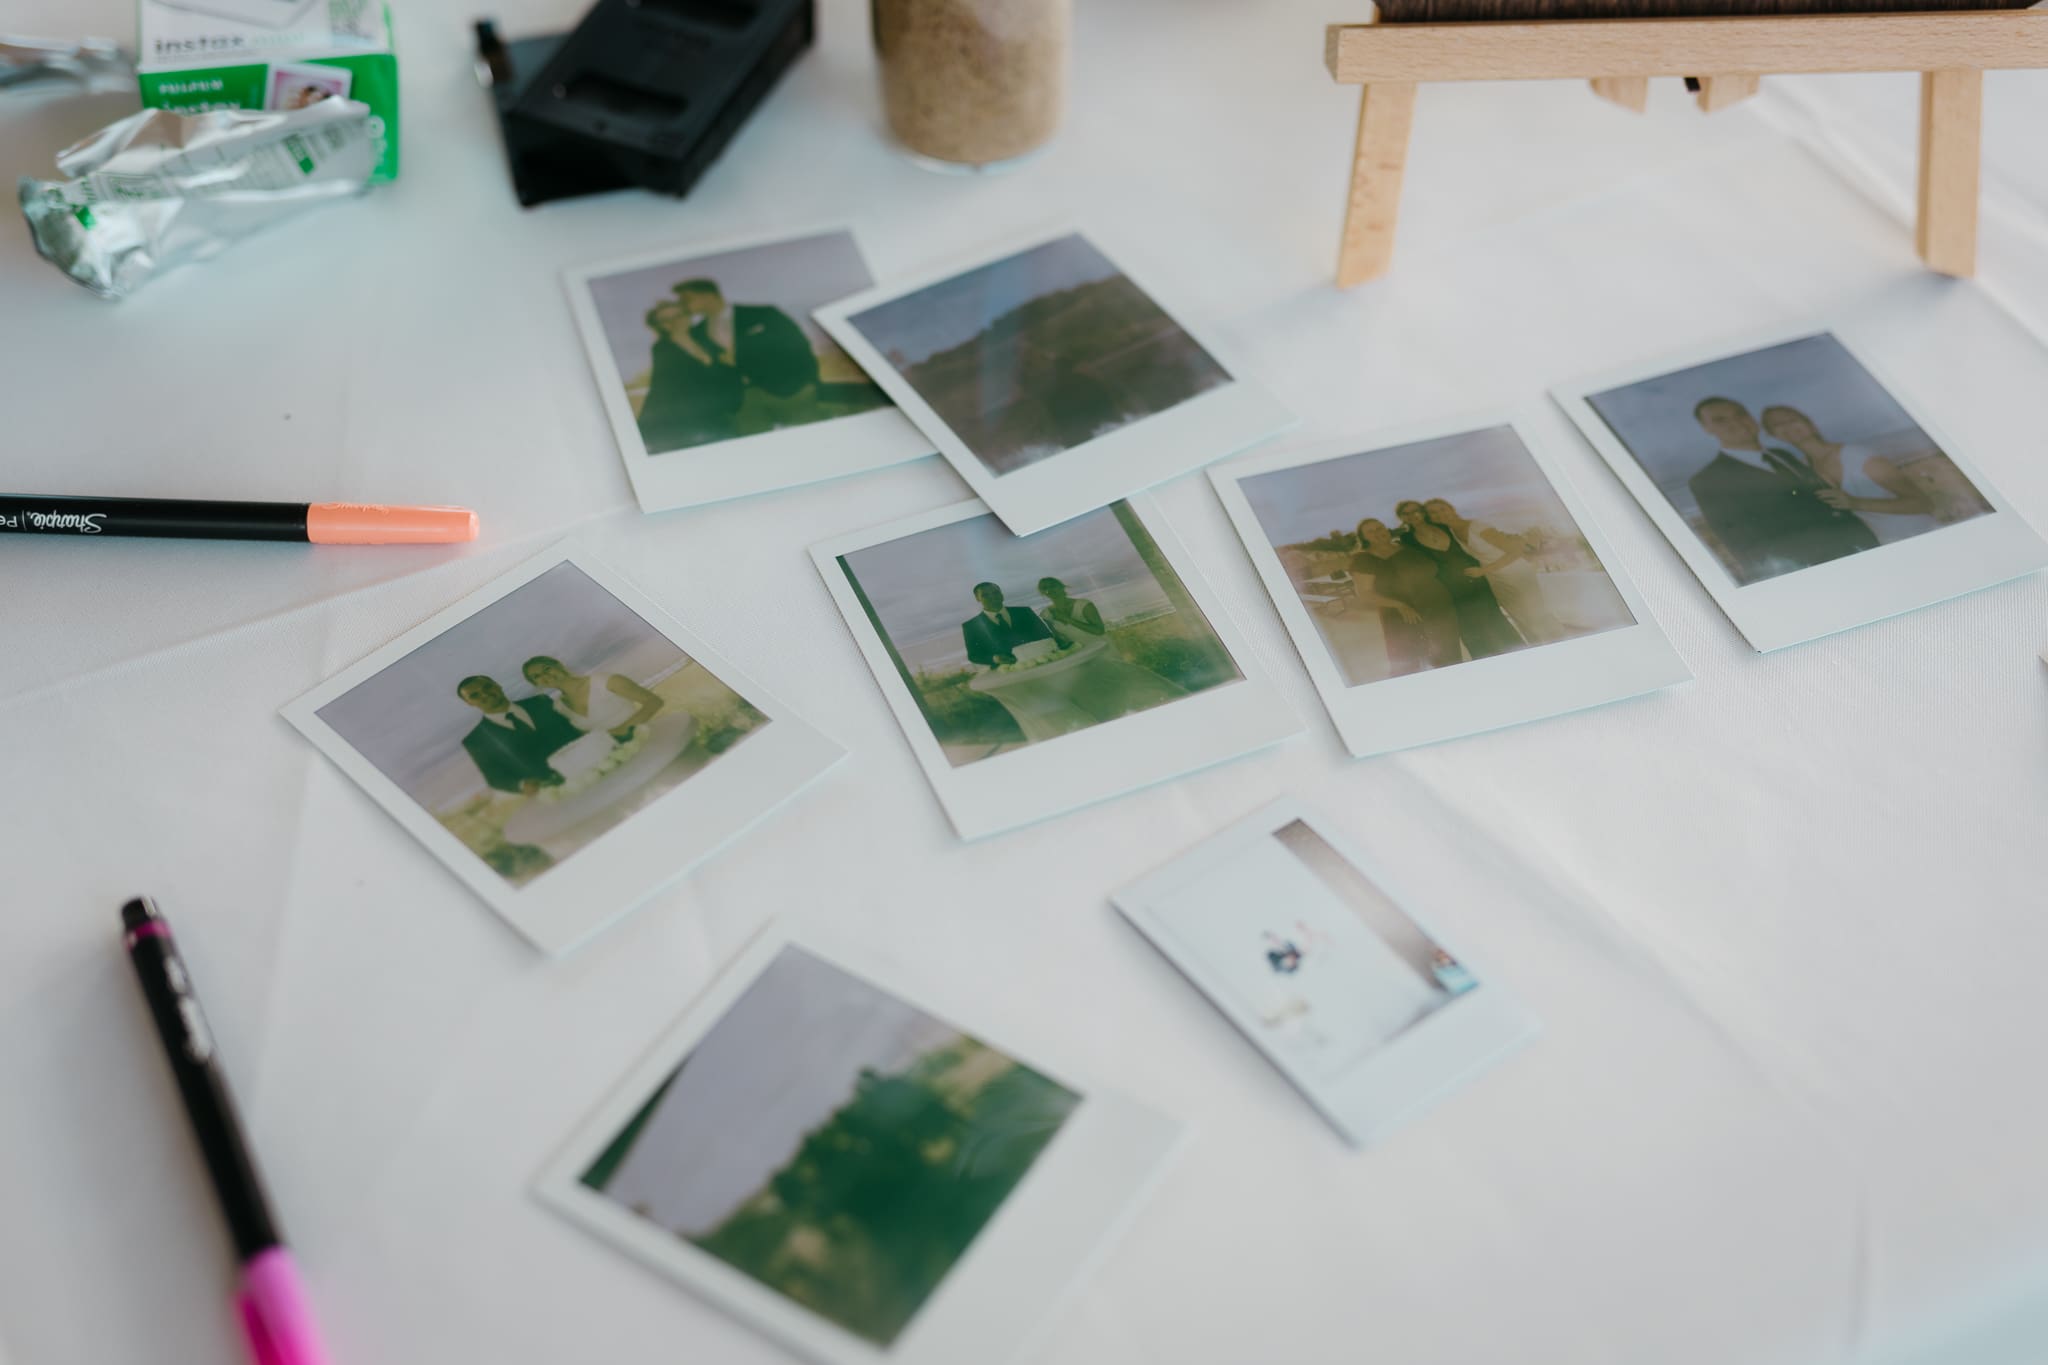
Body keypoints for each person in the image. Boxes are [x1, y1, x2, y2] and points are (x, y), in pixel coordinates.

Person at [1686, 396, 1879, 582]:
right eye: (1720, 420)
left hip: (1860, 551)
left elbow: (1826, 503)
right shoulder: (1708, 480)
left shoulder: (1782, 455)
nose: (1736, 422)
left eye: (1740, 413)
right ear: (1707, 429)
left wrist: (1869, 544)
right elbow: (1742, 545)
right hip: (1811, 573)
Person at [1759, 404, 1942, 543]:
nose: (1786, 425)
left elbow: (1923, 503)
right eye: (1776, 425)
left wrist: (1855, 502)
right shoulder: (1801, 469)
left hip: (1921, 535)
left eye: (1792, 419)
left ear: (1810, 424)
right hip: (1883, 543)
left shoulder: (1856, 455)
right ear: (1775, 436)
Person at [1423, 497, 1564, 644]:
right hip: (1496, 578)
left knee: (1536, 614)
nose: (1439, 514)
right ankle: (1539, 648)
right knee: (1519, 616)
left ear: (1451, 508)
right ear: (1430, 518)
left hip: (1515, 573)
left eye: (1442, 509)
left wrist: (1483, 570)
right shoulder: (1451, 532)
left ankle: (1559, 645)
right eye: (1433, 513)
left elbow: (1515, 551)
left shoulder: (1478, 527)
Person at [1395, 501, 1524, 661]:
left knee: (1496, 622)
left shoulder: (1443, 527)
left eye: (1416, 511)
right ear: (1402, 518)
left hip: (1476, 580)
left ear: (1422, 512)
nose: (1412, 515)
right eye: (1406, 513)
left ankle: (1520, 659)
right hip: (1450, 589)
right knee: (1471, 631)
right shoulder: (1406, 539)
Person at [1347, 516, 1460, 675]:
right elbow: (1365, 594)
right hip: (1403, 616)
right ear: (1364, 537)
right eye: (1371, 531)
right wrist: (1400, 605)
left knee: (1448, 653)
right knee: (1409, 662)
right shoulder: (1363, 559)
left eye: (1379, 528)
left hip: (1438, 608)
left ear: (1386, 529)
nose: (1377, 533)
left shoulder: (1405, 546)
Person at [455, 675, 582, 795]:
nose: (484, 694)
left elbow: (576, 728)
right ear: (469, 703)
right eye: (475, 695)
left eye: (487, 687)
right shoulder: (475, 740)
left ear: (497, 685)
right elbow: (494, 778)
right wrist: (521, 785)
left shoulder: (541, 702)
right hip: (555, 789)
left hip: (588, 764)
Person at [520, 657, 665, 743]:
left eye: (547, 669)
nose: (545, 676)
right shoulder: (559, 706)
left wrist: (622, 730)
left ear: (558, 665)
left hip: (650, 737)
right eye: (537, 676)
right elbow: (585, 735)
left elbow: (654, 702)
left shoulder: (605, 680)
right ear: (536, 683)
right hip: (619, 754)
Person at [962, 582, 1064, 669]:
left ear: (1001, 594)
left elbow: (1045, 634)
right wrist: (995, 658)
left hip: (1042, 663)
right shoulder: (971, 626)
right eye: (985, 595)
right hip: (1007, 672)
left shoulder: (1024, 611)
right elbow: (974, 655)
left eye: (995, 592)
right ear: (977, 598)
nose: (992, 597)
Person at [1037, 577, 1105, 637]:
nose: (1049, 590)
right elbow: (1058, 637)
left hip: (1102, 647)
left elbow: (1100, 631)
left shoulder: (1084, 605)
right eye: (1044, 588)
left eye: (1052, 586)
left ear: (1062, 586)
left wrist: (1068, 619)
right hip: (1078, 650)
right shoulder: (1045, 614)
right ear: (1042, 592)